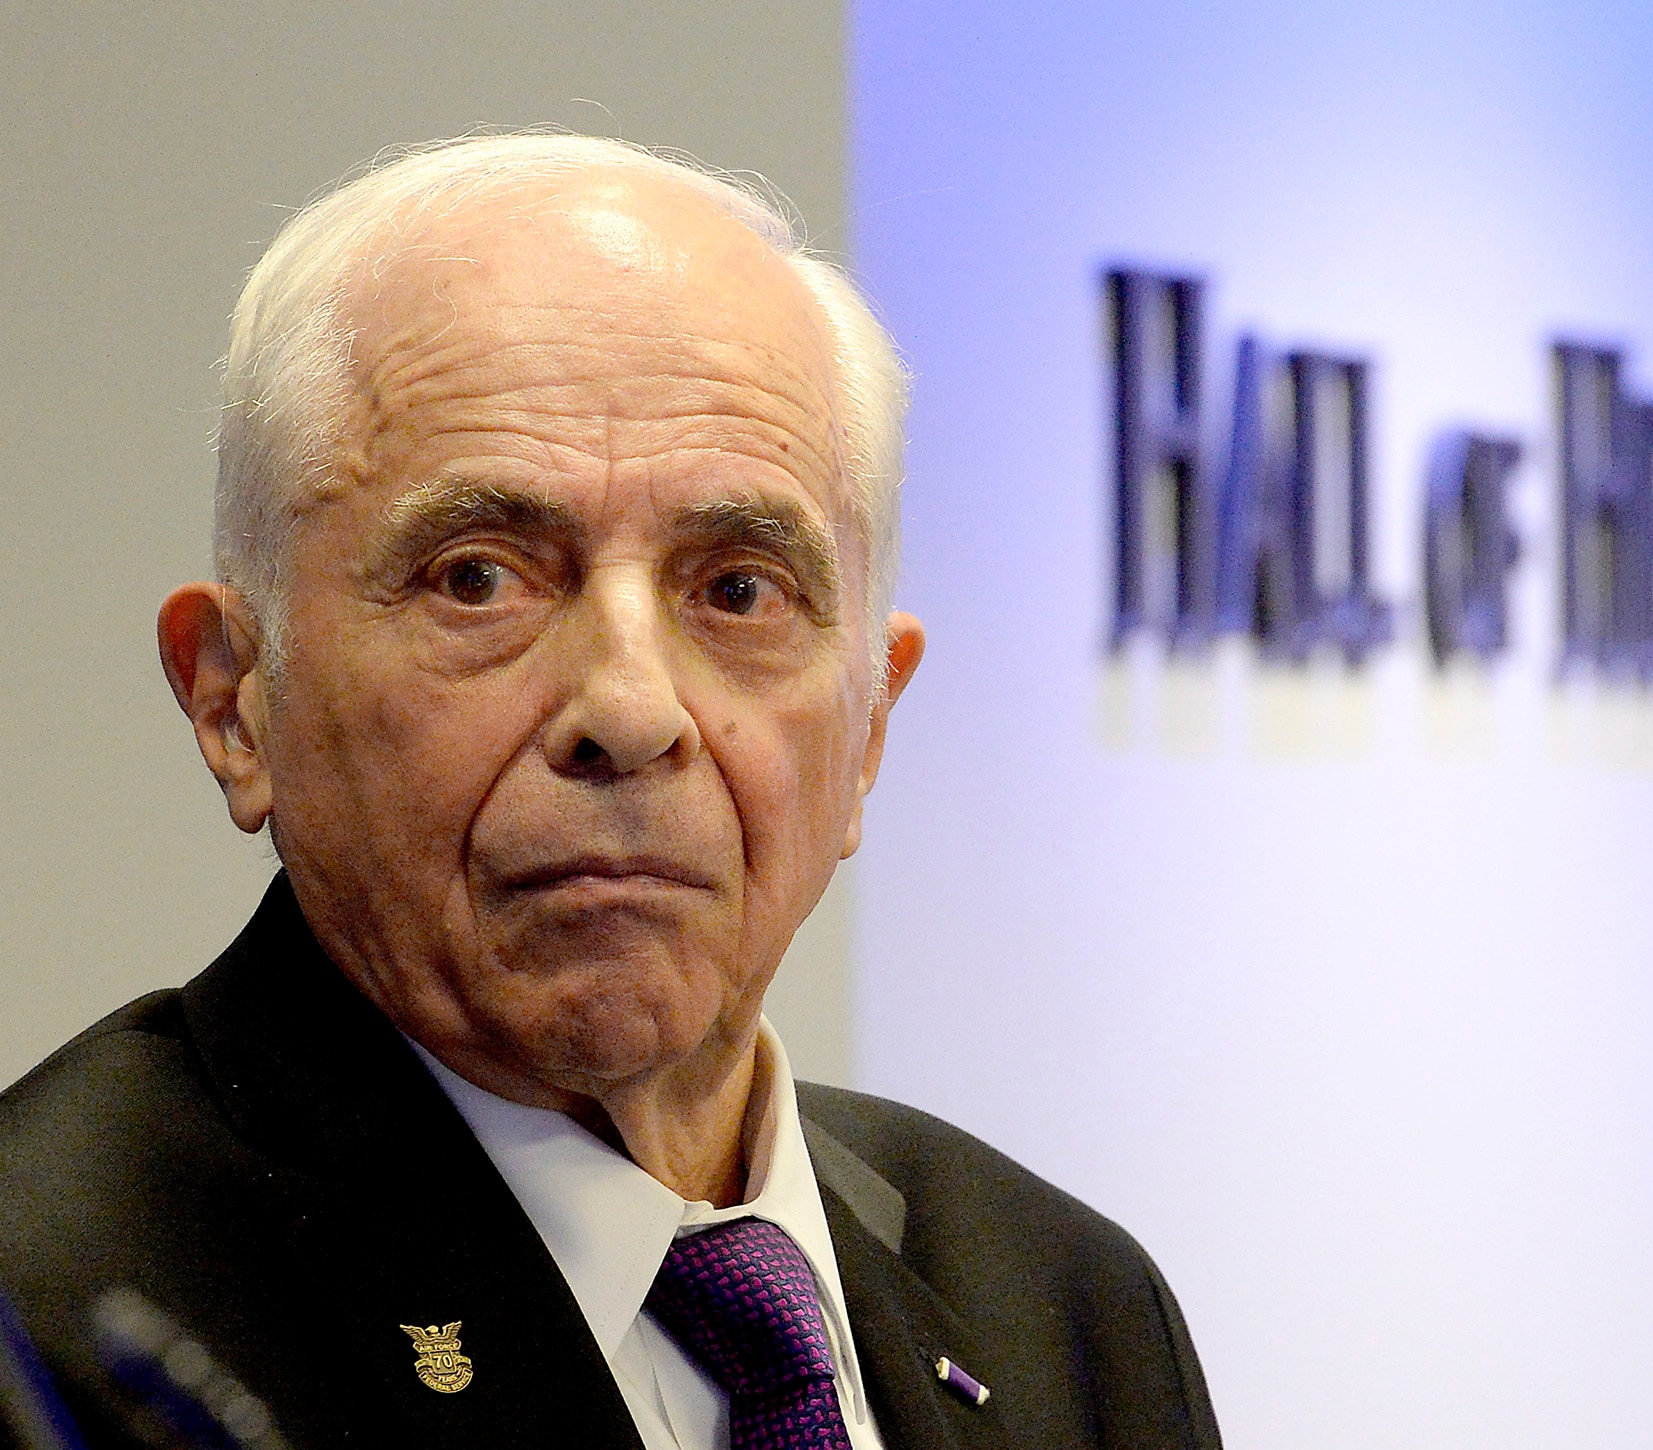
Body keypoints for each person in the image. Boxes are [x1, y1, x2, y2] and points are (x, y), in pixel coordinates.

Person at [0, 135, 1221, 1450]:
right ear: (235, 697)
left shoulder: (1069, 1309)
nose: (632, 711)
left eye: (738, 588)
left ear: (871, 724)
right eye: (479, 576)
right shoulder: (47, 1328)